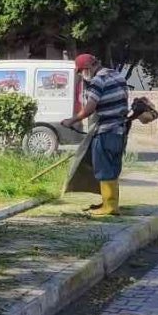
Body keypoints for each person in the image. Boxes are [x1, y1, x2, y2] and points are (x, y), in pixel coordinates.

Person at [61, 53, 129, 216]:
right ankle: (110, 203)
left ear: (90, 67)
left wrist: (72, 120)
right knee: (112, 167)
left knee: (104, 168)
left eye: (81, 71)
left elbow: (90, 108)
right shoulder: (116, 76)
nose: (81, 74)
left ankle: (110, 207)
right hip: (120, 130)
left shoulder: (98, 81)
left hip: (106, 130)